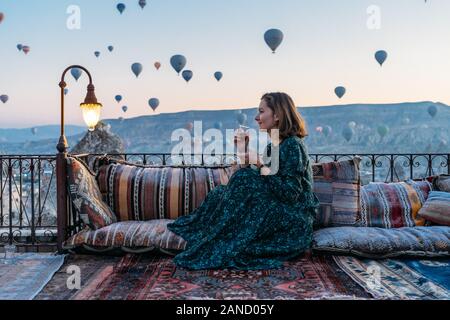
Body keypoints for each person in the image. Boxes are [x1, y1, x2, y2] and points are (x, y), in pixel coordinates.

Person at [166, 92, 320, 270]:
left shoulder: (293, 145)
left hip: (293, 221)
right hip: (279, 208)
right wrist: (244, 150)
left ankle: (221, 239)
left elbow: (289, 193)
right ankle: (218, 236)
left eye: (261, 112)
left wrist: (259, 162)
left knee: (243, 178)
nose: (256, 118)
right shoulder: (275, 145)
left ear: (277, 115)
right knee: (219, 193)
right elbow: (266, 179)